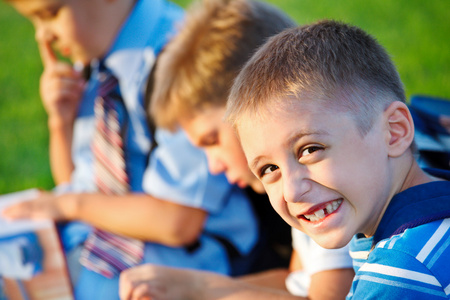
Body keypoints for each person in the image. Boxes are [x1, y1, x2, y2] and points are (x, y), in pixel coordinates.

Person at [3, 0, 262, 299]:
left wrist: (66, 205)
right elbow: (77, 183)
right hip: (98, 245)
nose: (42, 36)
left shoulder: (183, 59)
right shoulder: (94, 64)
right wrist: (61, 122)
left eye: (50, 14)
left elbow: (178, 222)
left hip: (185, 262)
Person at [119, 2, 354, 299]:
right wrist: (191, 284)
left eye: (212, 140)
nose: (214, 166)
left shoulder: (318, 190)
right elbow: (297, 281)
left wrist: (207, 292)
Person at [223, 20, 450, 299]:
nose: (292, 190)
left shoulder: (399, 273)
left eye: (310, 150)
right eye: (269, 169)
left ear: (394, 132)